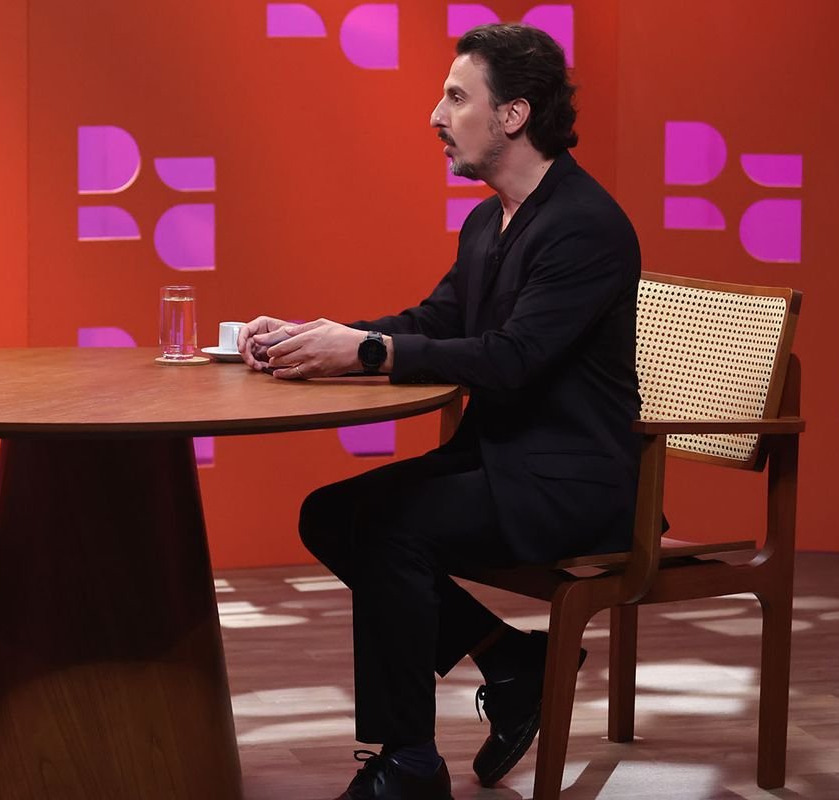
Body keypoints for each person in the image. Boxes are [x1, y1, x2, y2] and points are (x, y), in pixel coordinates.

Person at [239, 23, 640, 800]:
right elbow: (436, 322)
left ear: (514, 115)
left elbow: (512, 358)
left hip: (572, 486)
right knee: (332, 514)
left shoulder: (585, 226)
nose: (436, 116)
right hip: (503, 463)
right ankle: (512, 661)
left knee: (391, 526)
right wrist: (320, 338)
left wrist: (366, 353)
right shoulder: (490, 221)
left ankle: (409, 763)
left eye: (457, 97)